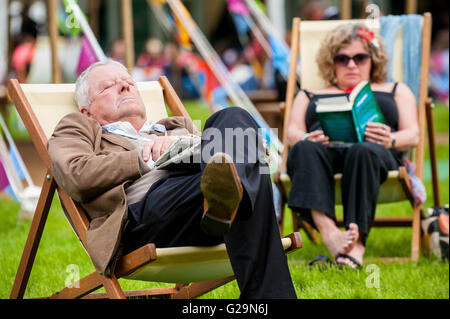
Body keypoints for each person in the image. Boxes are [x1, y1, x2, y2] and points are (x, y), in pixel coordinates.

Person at [47, 60, 296, 299]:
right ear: (87, 111)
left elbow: (223, 158)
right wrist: (144, 157)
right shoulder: (78, 126)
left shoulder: (175, 127)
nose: (124, 86)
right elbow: (74, 174)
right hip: (145, 215)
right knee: (246, 172)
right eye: (109, 86)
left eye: (128, 81)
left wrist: (182, 144)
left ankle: (222, 202)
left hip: (204, 211)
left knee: (234, 118)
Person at [286, 23, 418, 268]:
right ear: (331, 62)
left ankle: (356, 247)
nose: (351, 64)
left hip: (375, 153)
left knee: (362, 151)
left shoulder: (396, 90)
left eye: (360, 57)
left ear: (373, 60)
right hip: (322, 153)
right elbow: (292, 132)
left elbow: (413, 135)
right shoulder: (309, 94)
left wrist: (389, 139)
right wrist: (306, 138)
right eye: (342, 58)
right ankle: (330, 233)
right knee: (303, 148)